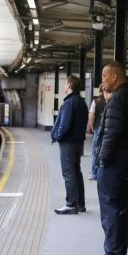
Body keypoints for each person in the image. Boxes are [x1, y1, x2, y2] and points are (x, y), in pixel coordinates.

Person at [91, 61, 128, 255]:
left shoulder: (118, 100)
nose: (102, 81)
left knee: (111, 206)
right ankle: (119, 250)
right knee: (122, 206)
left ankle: (112, 251)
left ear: (115, 76)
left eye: (104, 76)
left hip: (116, 163)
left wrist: (101, 160)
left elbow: (111, 134)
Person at [51, 75, 88, 215]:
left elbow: (64, 125)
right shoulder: (81, 102)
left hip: (68, 143)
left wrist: (58, 137)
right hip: (78, 142)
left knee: (69, 173)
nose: (64, 85)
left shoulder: (69, 103)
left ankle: (71, 204)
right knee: (76, 172)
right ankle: (80, 203)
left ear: (70, 86)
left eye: (66, 83)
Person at [87, 86, 106, 180]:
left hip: (98, 128)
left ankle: (95, 174)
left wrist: (92, 127)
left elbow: (91, 116)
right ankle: (104, 174)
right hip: (108, 130)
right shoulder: (111, 100)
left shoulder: (95, 101)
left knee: (96, 152)